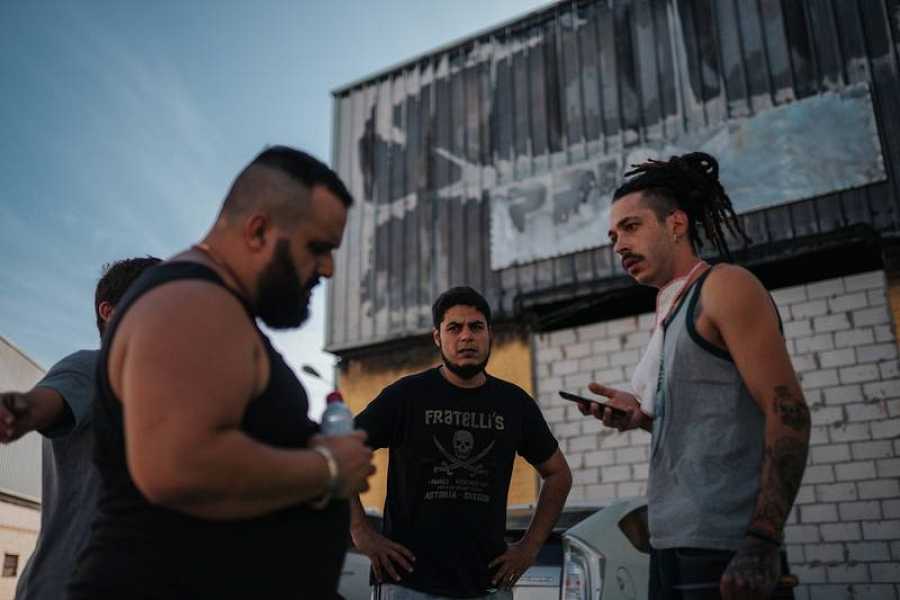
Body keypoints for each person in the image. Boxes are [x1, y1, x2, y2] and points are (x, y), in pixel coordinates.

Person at [66, 146, 375, 599]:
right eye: (318, 247)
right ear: (258, 229)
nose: (327, 268)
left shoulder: (214, 307)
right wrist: (329, 468)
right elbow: (178, 465)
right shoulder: (193, 302)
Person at [577, 153, 810, 600]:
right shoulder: (669, 308)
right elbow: (710, 421)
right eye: (612, 236)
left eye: (631, 227)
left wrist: (762, 539)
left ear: (676, 224)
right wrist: (640, 416)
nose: (618, 246)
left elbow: (790, 411)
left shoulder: (725, 286)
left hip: (724, 546)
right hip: (669, 542)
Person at [351, 286, 572, 599]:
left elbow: (558, 474)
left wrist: (530, 547)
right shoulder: (406, 397)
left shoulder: (513, 404)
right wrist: (361, 532)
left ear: (489, 334)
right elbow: (338, 454)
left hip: (486, 585)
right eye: (454, 328)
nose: (466, 336)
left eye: (476, 327)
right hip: (408, 584)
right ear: (437, 337)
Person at [0, 256, 161, 600]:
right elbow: (39, 404)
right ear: (110, 311)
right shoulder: (94, 367)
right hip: (66, 587)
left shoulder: (160, 395)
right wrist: (16, 410)